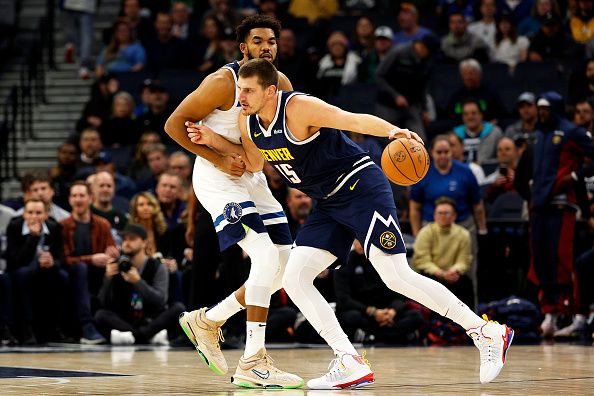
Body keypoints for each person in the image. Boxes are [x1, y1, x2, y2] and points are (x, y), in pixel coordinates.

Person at [187, 58, 514, 388]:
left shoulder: (299, 108)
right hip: (328, 202)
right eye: (239, 89)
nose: (239, 96)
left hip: (360, 187)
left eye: (247, 90)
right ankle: (349, 360)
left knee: (395, 275)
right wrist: (212, 139)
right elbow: (255, 161)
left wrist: (392, 131)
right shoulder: (248, 121)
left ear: (270, 91)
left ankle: (485, 331)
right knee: (295, 277)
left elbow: (350, 118)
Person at [164, 14, 301, 389]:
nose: (266, 47)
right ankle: (253, 361)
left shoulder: (282, 85)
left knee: (285, 264)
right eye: (258, 41)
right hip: (215, 178)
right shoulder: (222, 83)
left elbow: (258, 157)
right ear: (244, 48)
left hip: (251, 175)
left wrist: (220, 142)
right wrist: (218, 156)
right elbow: (174, 124)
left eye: (271, 41)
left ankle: (208, 320)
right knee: (265, 257)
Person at [527, 92, 594, 337]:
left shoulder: (571, 132)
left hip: (561, 206)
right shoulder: (539, 135)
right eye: (539, 109)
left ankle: (570, 312)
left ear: (555, 109)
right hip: (538, 207)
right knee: (541, 261)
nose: (541, 113)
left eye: (546, 109)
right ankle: (549, 314)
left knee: (561, 261)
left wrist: (576, 175)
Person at [95, 223, 185, 345]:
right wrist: (107, 278)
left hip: (151, 319)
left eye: (132, 239)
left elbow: (160, 300)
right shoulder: (116, 266)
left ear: (144, 242)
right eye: (125, 239)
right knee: (100, 315)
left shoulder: (157, 266)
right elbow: (103, 302)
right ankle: (147, 336)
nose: (127, 243)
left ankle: (132, 337)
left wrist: (138, 282)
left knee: (179, 309)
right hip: (125, 320)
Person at [61, 181, 119, 344]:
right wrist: (91, 259)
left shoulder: (103, 224)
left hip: (99, 272)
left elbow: (111, 250)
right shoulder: (63, 226)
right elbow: (64, 260)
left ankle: (125, 324)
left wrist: (112, 255)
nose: (78, 200)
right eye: (74, 196)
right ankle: (87, 325)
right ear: (69, 200)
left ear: (90, 198)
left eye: (82, 195)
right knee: (80, 268)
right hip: (74, 274)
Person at [5, 198, 69, 344]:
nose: (34, 216)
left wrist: (53, 262)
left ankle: (55, 327)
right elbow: (14, 260)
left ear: (46, 215)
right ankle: (27, 327)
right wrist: (33, 238)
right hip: (19, 271)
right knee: (24, 274)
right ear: (24, 215)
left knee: (62, 276)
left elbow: (60, 258)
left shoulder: (54, 228)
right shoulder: (14, 227)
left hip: (45, 271)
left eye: (38, 213)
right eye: (30, 212)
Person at [412, 197, 474, 307]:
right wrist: (440, 273)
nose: (443, 216)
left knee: (466, 284)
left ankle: (469, 322)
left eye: (446, 213)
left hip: (453, 275)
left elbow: (463, 261)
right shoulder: (426, 232)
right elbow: (422, 260)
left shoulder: (463, 234)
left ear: (454, 216)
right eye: (440, 213)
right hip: (431, 275)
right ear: (434, 216)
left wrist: (454, 270)